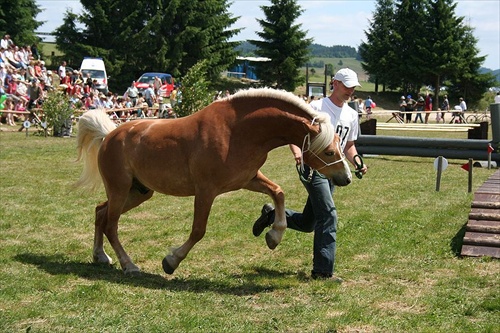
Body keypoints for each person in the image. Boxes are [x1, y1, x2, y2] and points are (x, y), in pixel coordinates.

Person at [252, 68, 368, 282]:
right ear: (334, 83)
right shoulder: (315, 107)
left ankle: (273, 215)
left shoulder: (352, 114)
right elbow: (296, 136)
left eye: (353, 87)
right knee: (329, 215)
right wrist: (298, 155)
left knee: (308, 223)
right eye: (346, 85)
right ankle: (322, 272)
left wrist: (358, 161)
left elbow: (349, 145)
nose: (350, 90)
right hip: (313, 169)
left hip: (333, 170)